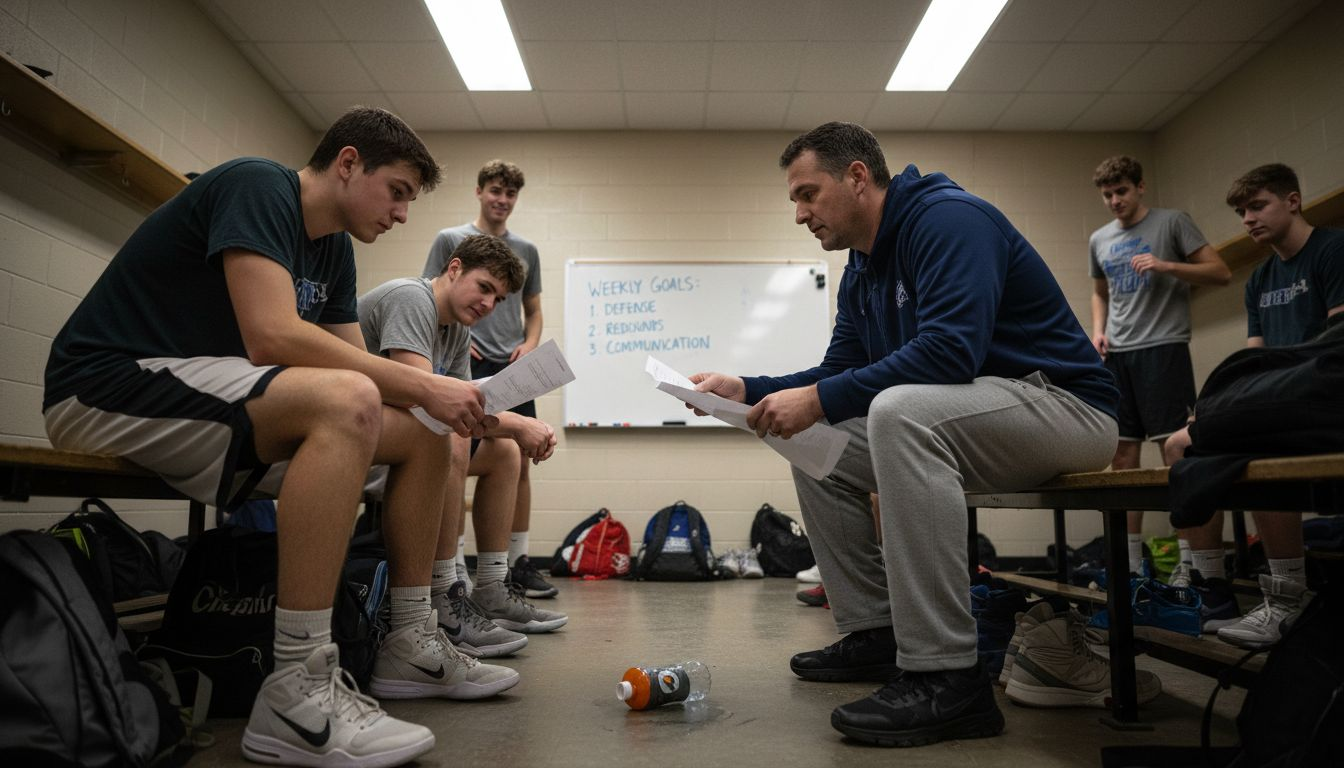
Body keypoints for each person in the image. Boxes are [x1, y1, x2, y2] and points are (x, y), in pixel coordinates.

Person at [42, 107, 519, 767]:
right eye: (398, 192)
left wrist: (434, 401)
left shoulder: (335, 250)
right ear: (348, 163)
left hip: (205, 397)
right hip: (104, 384)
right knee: (363, 398)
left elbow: (366, 376)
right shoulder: (260, 187)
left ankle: (410, 639)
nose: (403, 214)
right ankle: (296, 686)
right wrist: (423, 385)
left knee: (421, 432)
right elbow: (271, 335)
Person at [690, 122, 1119, 748]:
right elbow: (836, 376)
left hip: (1066, 408)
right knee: (817, 444)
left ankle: (949, 677)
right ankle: (877, 633)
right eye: (795, 202)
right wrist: (749, 388)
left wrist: (818, 399)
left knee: (896, 412)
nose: (801, 214)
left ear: (858, 177)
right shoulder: (860, 271)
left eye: (808, 194)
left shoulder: (948, 221)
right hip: (980, 417)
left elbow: (950, 353)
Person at [359, 234, 566, 657]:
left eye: (499, 298)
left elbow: (463, 404)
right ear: (453, 269)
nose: (489, 304)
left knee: (504, 452)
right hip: (358, 439)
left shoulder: (455, 331)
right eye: (484, 288)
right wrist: (519, 422)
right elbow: (422, 397)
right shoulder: (411, 300)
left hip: (400, 439)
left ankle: (490, 586)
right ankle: (442, 593)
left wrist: (516, 429)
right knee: (451, 436)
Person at [1165, 163, 1344, 647]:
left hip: (1326, 393)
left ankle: (1288, 598)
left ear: (1292, 201)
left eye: (1257, 205)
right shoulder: (1260, 278)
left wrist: (1251, 406)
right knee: (1182, 444)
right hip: (1282, 400)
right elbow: (1254, 359)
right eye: (1242, 211)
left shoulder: (1333, 251)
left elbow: (1335, 345)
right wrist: (1221, 405)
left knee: (1255, 440)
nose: (1247, 219)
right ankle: (1209, 587)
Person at [1088, 156, 1230, 578]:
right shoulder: (1100, 238)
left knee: (1176, 451)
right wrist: (1099, 330)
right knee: (1121, 452)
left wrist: (1166, 265)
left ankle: (1190, 565)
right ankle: (1128, 566)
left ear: (1140, 187)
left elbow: (1220, 272)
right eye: (1108, 195)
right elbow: (1100, 291)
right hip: (1118, 353)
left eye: (1122, 192)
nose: (1115, 201)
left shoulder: (1172, 223)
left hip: (1163, 346)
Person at [422, 160, 557, 599]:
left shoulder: (527, 250)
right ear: (480, 191)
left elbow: (533, 310)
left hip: (513, 365)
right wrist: (460, 337)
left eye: (510, 194)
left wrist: (530, 345)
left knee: (519, 456)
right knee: (458, 448)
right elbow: (431, 289)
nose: (502, 200)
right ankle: (453, 564)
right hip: (467, 361)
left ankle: (514, 564)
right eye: (496, 190)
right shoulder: (450, 239)